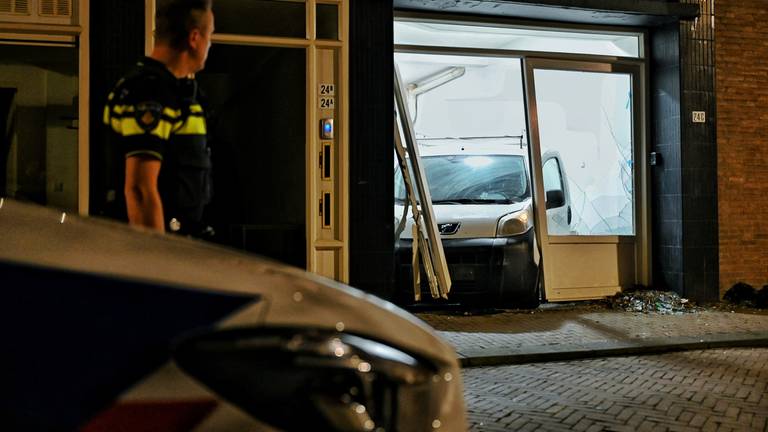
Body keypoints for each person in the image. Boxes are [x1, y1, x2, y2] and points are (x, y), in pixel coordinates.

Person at [104, 0, 215, 236]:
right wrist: (155, 262)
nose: (209, 45)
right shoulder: (150, 92)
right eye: (210, 36)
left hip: (181, 242)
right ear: (194, 38)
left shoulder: (176, 91)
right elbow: (140, 189)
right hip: (162, 248)